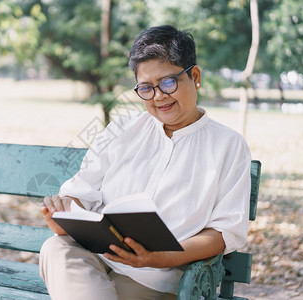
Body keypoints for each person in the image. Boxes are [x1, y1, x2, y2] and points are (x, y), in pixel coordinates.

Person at [39, 25, 251, 300]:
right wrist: (64, 218)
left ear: (194, 76)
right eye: (146, 88)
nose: (159, 96)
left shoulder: (228, 145)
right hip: (95, 261)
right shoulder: (121, 130)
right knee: (55, 249)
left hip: (155, 279)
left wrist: (159, 258)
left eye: (168, 82)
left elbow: (224, 232)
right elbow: (80, 195)